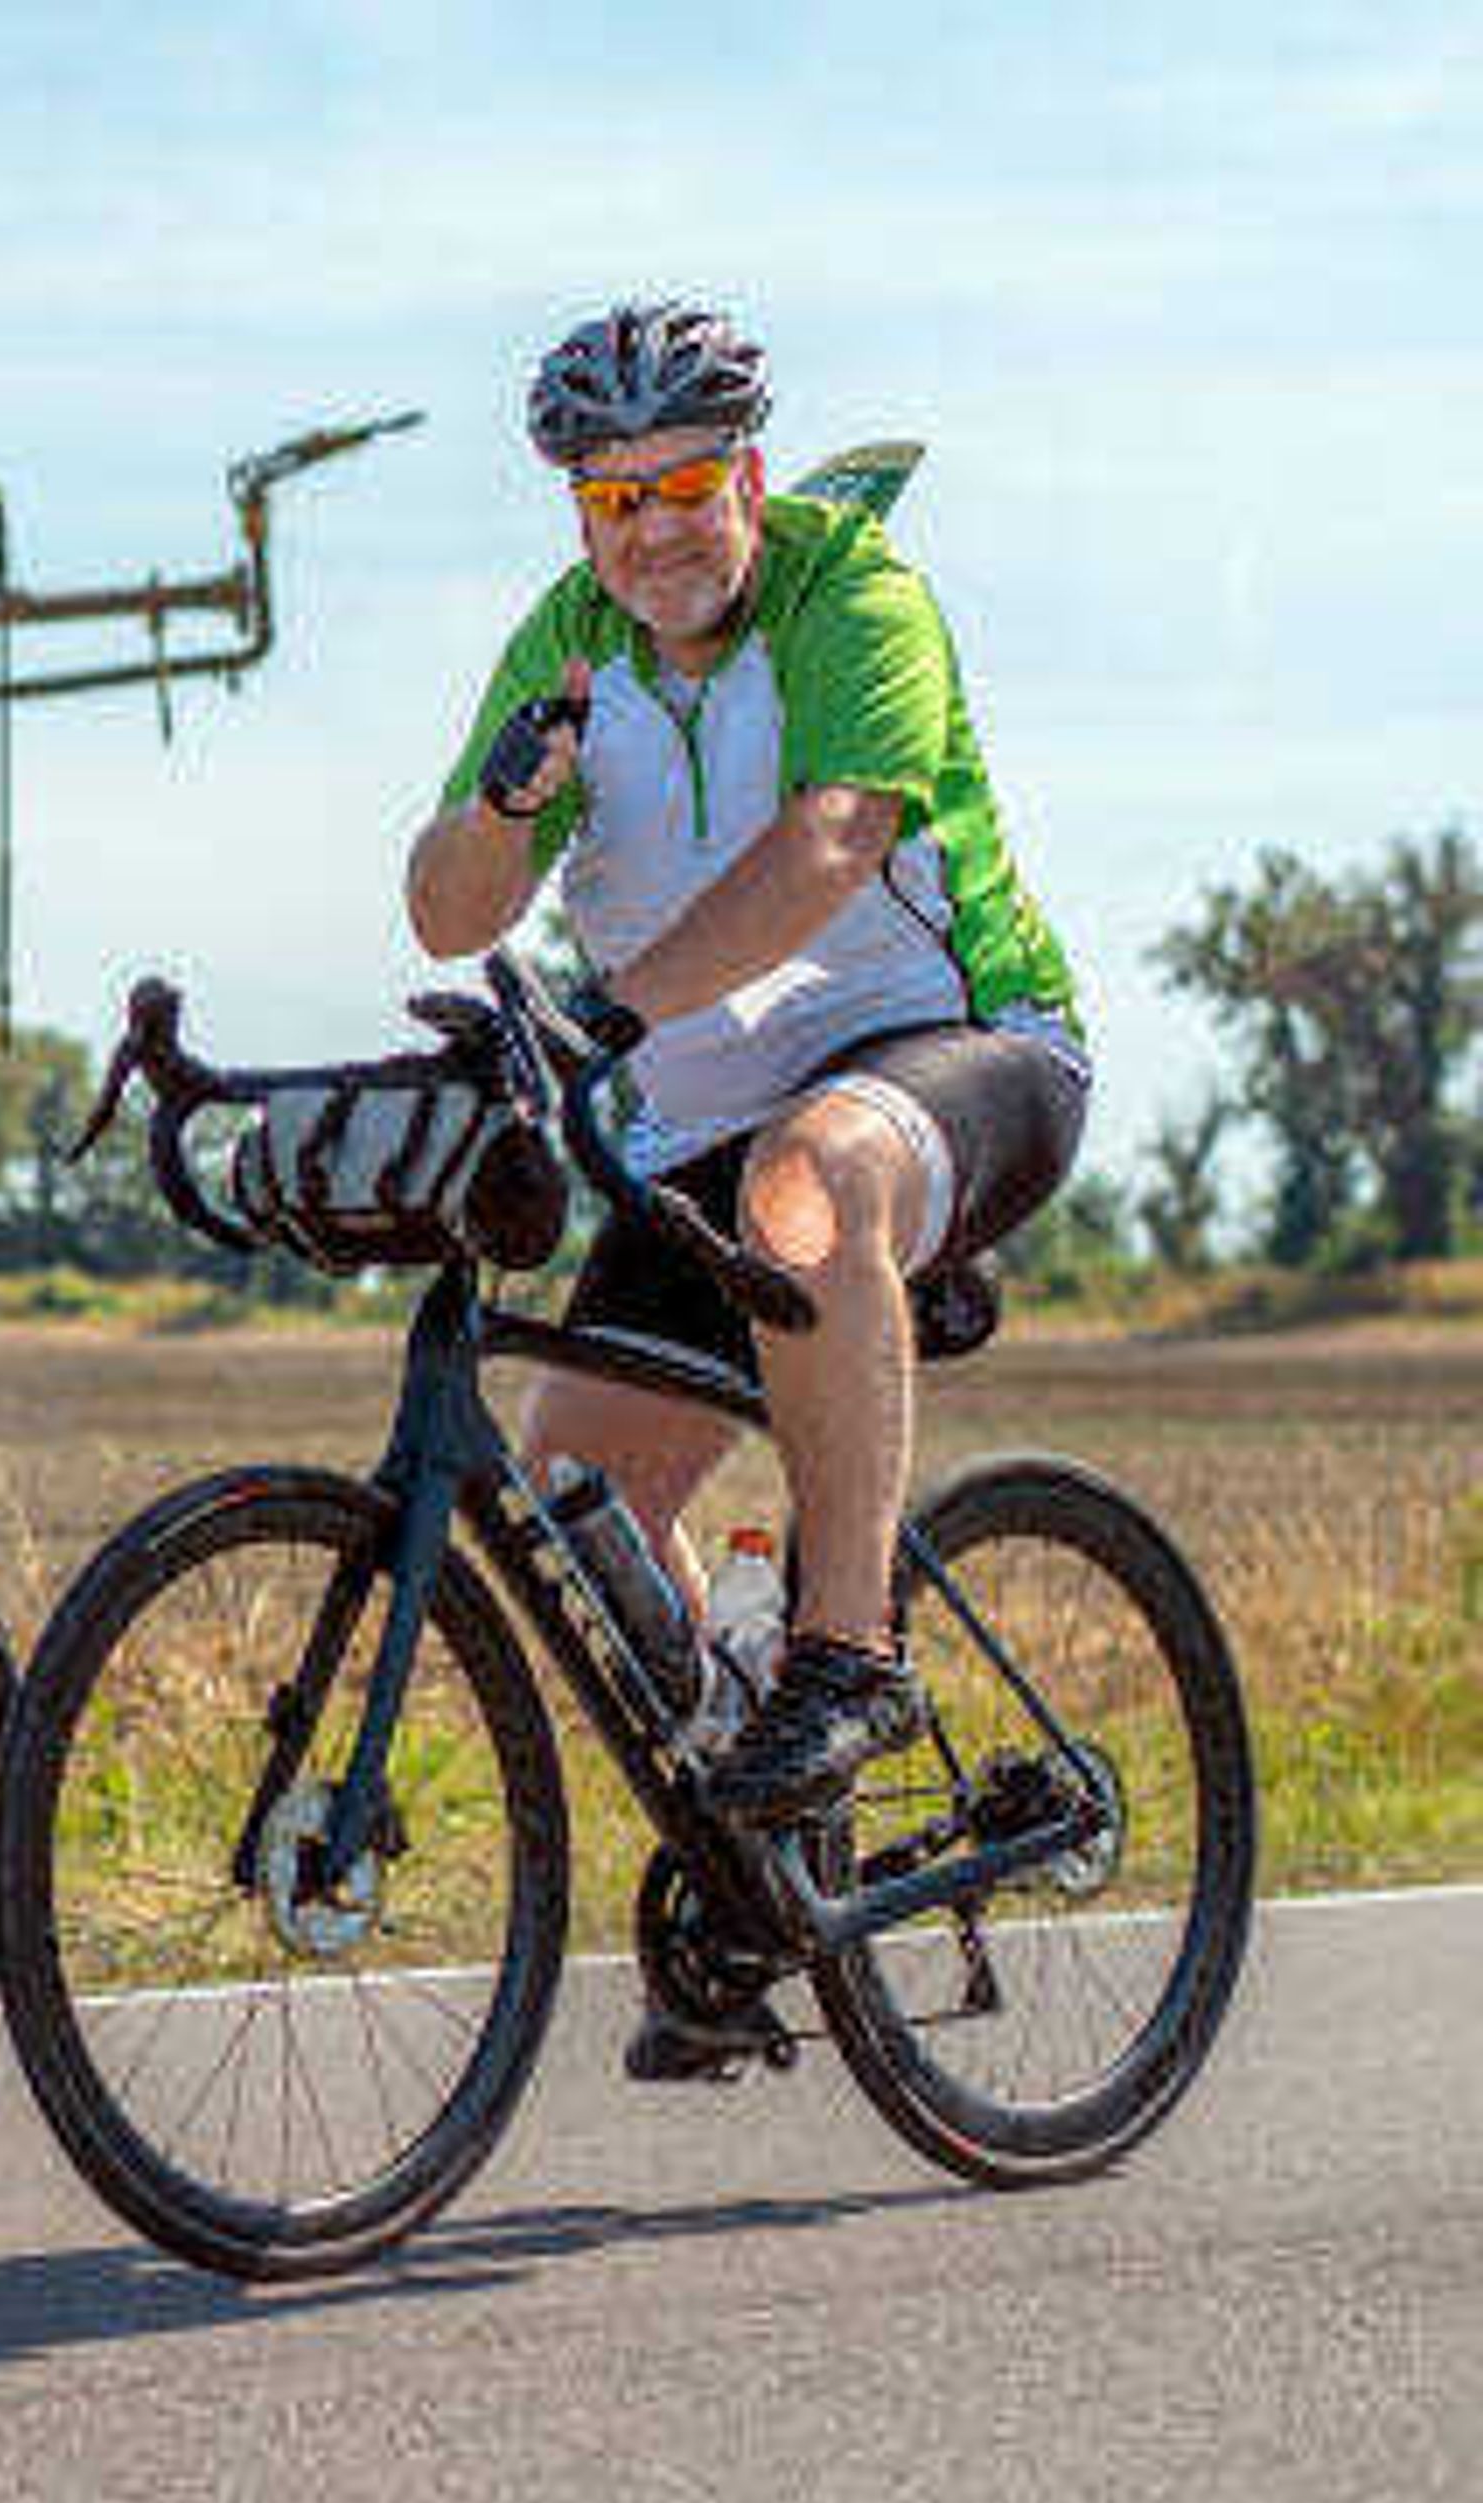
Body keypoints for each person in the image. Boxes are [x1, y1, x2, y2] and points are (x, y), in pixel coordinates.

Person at [402, 302, 1088, 2067]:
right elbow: (448, 913)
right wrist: (501, 804)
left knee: (811, 1178)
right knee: (568, 1501)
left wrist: (611, 1006)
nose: (654, 530)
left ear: (750, 476)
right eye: (611, 501)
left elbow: (830, 846)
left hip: (956, 1048)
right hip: (686, 1125)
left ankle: (843, 1660)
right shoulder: (567, 646)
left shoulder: (853, 594)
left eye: (688, 484)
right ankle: (756, 1846)